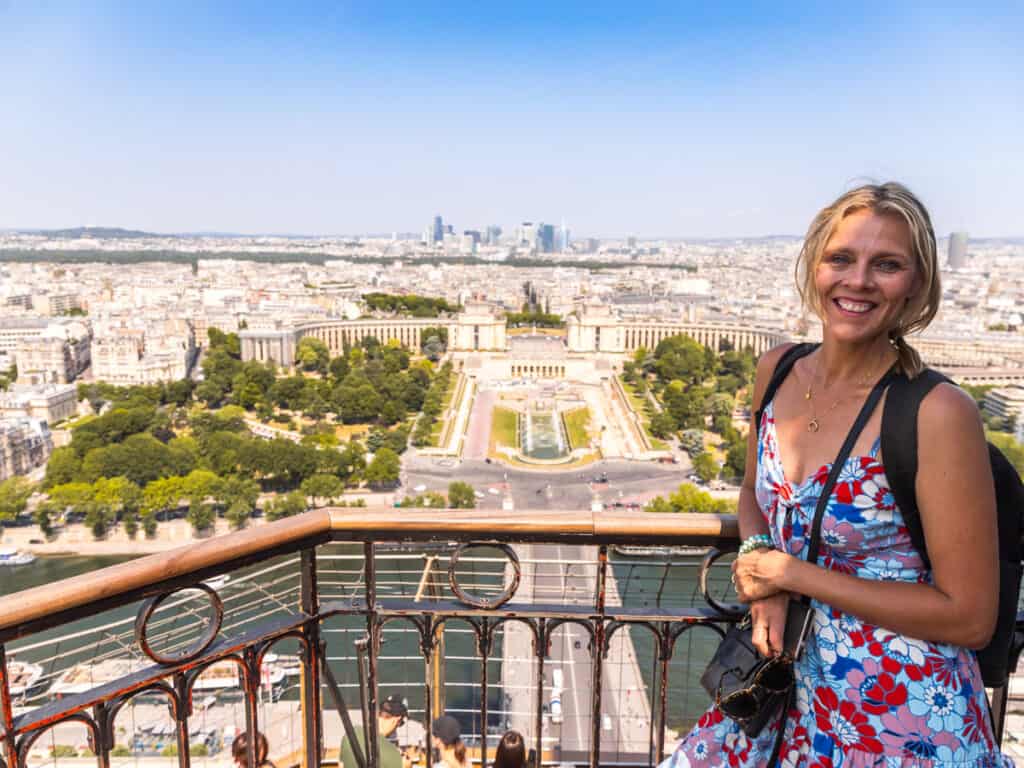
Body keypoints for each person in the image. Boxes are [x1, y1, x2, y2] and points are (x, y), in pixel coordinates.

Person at [663, 182, 1013, 767]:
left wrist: (792, 575)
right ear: (813, 267)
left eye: (887, 265)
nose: (858, 281)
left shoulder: (938, 412)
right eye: (841, 258)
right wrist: (762, 568)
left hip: (901, 716)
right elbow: (754, 490)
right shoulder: (776, 369)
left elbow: (971, 617)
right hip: (783, 692)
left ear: (917, 286)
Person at [339, 695, 408, 768]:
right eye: (400, 724)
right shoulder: (394, 756)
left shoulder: (351, 733)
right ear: (397, 720)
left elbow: (341, 765)